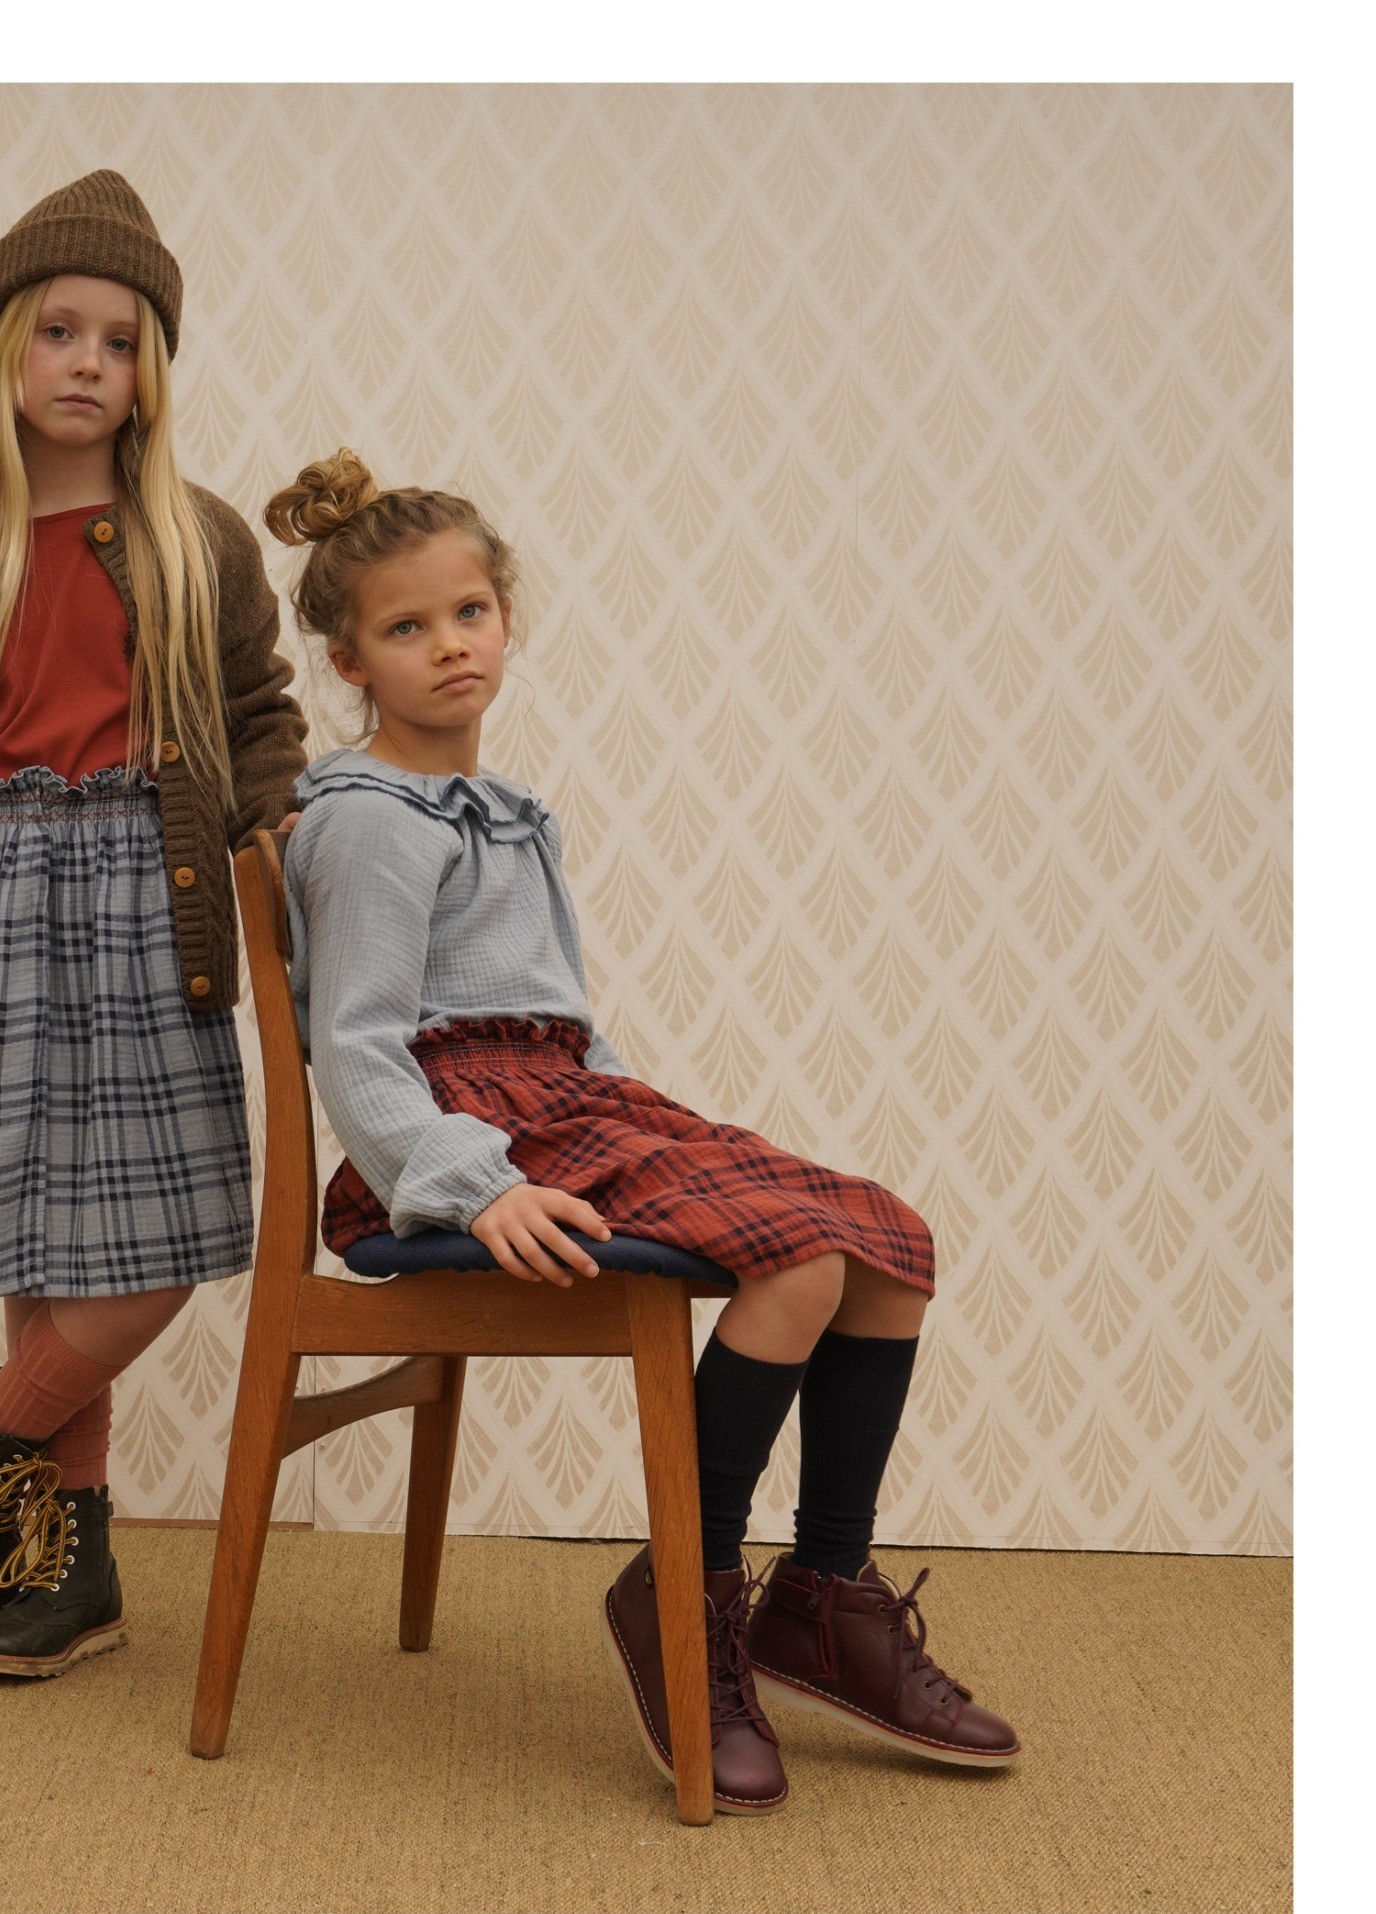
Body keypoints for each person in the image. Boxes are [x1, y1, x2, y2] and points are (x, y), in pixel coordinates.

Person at [269, 449, 1018, 1814]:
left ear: (509, 618)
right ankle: (685, 1585)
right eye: (408, 627)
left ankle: (825, 1596)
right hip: (462, 1140)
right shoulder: (368, 825)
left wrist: (649, 1117)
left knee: (888, 1243)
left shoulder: (510, 813)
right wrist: (472, 1186)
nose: (451, 645)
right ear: (349, 660)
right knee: (798, 1260)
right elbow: (360, 1049)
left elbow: (560, 1016)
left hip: (568, 1106)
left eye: (470, 613)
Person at [0, 170, 306, 1681]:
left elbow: (259, 722)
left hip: (152, 899)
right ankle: (66, 1560)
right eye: (58, 331)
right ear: (4, 353)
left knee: (166, 1232)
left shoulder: (198, 541)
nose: (89, 362)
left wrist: (290, 853)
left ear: (152, 369)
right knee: (42, 1238)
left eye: (121, 340)